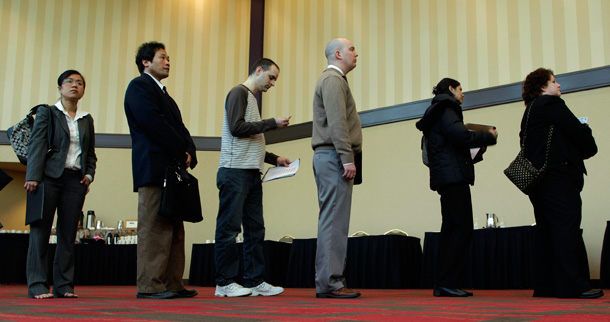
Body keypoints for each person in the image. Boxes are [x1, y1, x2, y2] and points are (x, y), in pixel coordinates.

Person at [124, 42, 198, 300]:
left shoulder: (166, 95)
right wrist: (181, 149)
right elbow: (152, 123)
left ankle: (173, 283)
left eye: (169, 58)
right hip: (153, 167)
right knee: (155, 228)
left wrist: (191, 150)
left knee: (175, 229)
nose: (168, 62)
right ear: (146, 62)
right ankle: (150, 286)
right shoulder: (139, 87)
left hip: (172, 169)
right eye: (162, 57)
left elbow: (181, 128)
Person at [520, 68, 602, 299]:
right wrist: (585, 130)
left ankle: (547, 286)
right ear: (542, 87)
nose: (559, 86)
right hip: (558, 177)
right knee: (567, 229)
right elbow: (582, 137)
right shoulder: (551, 105)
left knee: (546, 231)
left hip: (538, 180)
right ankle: (574, 285)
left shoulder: (530, 112)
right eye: (554, 82)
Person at [214, 58, 290, 297]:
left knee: (255, 230)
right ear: (259, 70)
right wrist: (270, 123)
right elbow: (237, 128)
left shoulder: (250, 99)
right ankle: (224, 283)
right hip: (234, 172)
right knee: (229, 230)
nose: (273, 83)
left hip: (250, 173)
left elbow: (251, 142)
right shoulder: (239, 92)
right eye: (271, 77)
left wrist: (274, 159)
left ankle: (254, 280)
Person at [415, 78, 497, 297]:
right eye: (460, 89)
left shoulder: (437, 110)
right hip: (453, 177)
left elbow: (451, 145)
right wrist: (488, 136)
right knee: (461, 228)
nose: (463, 94)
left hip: (446, 175)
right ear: (451, 89)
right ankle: (447, 282)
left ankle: (446, 282)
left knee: (452, 229)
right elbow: (460, 135)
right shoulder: (447, 108)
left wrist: (475, 148)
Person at [24, 70, 97, 299]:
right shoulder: (47, 112)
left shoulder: (86, 119)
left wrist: (89, 175)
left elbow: (91, 153)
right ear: (59, 88)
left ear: (83, 90)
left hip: (75, 181)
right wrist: (32, 176)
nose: (74, 85)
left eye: (79, 83)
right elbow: (37, 144)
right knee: (40, 233)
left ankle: (64, 285)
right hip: (47, 178)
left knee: (68, 235)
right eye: (69, 82)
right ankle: (37, 284)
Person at [311, 38, 362, 299]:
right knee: (334, 222)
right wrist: (347, 157)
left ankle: (331, 280)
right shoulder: (333, 80)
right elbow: (337, 123)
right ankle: (331, 283)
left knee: (334, 221)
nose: (356, 53)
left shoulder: (335, 80)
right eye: (352, 49)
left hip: (331, 156)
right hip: (333, 156)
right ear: (338, 54)